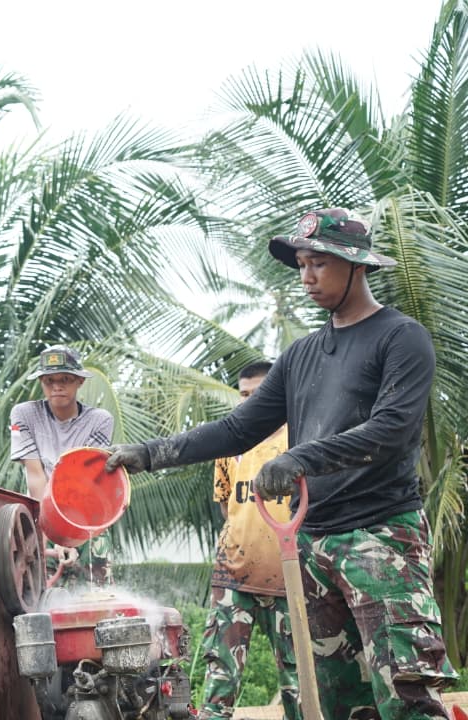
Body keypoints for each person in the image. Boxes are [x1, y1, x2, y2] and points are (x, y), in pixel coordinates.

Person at [104, 208, 458, 720]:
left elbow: (392, 429)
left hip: (381, 539)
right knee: (338, 703)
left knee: (407, 697)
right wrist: (150, 454)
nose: (307, 277)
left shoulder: (401, 337)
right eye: (302, 264)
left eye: (319, 264)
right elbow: (237, 430)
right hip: (311, 543)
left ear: (357, 265)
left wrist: (299, 458)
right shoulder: (300, 355)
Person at [199, 360, 299, 720]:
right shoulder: (231, 444)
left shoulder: (298, 438)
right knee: (220, 676)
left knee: (300, 681)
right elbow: (227, 507)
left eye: (259, 393)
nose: (251, 401)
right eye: (244, 395)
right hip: (234, 576)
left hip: (290, 577)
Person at [10, 344, 115, 584]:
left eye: (65, 379)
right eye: (49, 380)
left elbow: (82, 480)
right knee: (37, 591)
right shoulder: (23, 415)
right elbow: (35, 475)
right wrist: (53, 532)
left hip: (85, 514)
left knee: (97, 589)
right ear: (41, 382)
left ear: (80, 381)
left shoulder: (100, 421)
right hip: (40, 513)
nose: (57, 386)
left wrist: (68, 535)